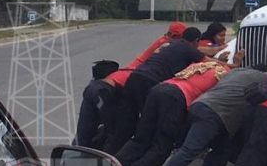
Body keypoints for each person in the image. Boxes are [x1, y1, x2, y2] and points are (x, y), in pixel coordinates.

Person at [146, 63, 267, 166]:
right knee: (189, 150)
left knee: (224, 147)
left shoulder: (235, 71)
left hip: (200, 105)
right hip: (215, 113)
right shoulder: (264, 77)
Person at [116, 57, 235, 166]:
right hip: (175, 98)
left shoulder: (206, 65)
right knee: (162, 147)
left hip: (158, 89)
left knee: (140, 140)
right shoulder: (225, 76)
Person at [76, 22, 186, 152]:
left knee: (86, 135)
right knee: (118, 133)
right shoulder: (166, 50)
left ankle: (83, 156)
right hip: (107, 91)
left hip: (97, 87)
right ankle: (106, 162)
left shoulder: (156, 50)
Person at [120, 27, 211, 145]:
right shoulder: (189, 48)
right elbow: (209, 61)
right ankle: (142, 151)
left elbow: (203, 51)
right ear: (196, 40)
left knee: (127, 121)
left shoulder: (171, 44)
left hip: (134, 77)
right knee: (148, 124)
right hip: (150, 82)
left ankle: (112, 154)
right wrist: (232, 65)